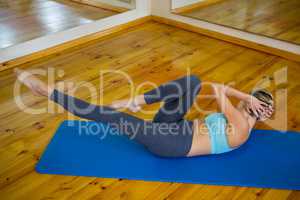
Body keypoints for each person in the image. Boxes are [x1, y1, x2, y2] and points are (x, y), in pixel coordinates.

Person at [15, 69, 274, 157]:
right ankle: (138, 100)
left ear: (251, 106)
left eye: (249, 99)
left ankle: (48, 92)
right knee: (193, 81)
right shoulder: (242, 124)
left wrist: (243, 96)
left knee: (110, 117)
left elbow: (218, 89)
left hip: (172, 143)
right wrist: (248, 98)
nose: (244, 99)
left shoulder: (240, 124)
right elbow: (208, 88)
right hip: (176, 127)